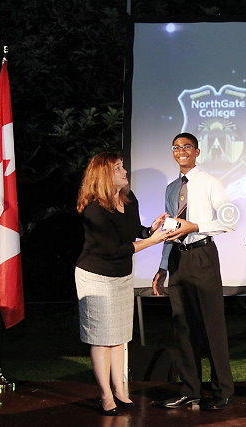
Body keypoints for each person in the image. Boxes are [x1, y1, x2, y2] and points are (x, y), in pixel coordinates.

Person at [75, 152, 170, 416]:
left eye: (122, 166)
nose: (124, 171)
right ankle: (106, 395)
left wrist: (149, 230)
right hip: (96, 277)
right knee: (101, 338)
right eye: (118, 168)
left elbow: (131, 231)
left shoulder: (129, 198)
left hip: (121, 276)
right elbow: (113, 249)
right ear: (104, 175)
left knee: (118, 337)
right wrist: (151, 242)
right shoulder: (94, 209)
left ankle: (120, 391)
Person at [152, 132, 236, 410]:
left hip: (202, 255)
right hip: (178, 259)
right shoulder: (171, 188)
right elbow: (169, 230)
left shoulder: (210, 182)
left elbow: (229, 220)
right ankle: (190, 390)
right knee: (182, 326)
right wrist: (163, 267)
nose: (181, 151)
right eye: (176, 147)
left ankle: (223, 390)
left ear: (197, 152)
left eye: (187, 146)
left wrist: (195, 226)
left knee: (212, 325)